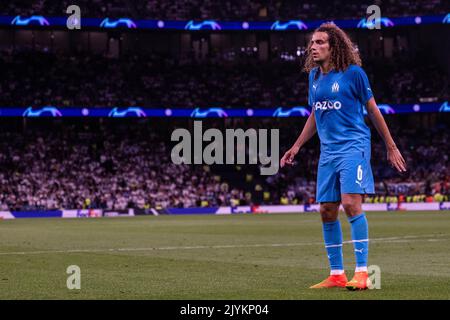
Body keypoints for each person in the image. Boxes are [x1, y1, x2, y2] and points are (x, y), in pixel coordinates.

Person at [280, 23, 406, 290]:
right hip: (328, 152)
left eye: (320, 42)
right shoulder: (314, 77)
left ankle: (362, 273)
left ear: (333, 46)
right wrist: (297, 145)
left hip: (354, 147)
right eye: (312, 43)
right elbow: (315, 114)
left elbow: (373, 110)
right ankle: (337, 274)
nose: (313, 47)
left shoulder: (354, 74)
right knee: (326, 210)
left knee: (350, 204)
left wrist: (391, 146)